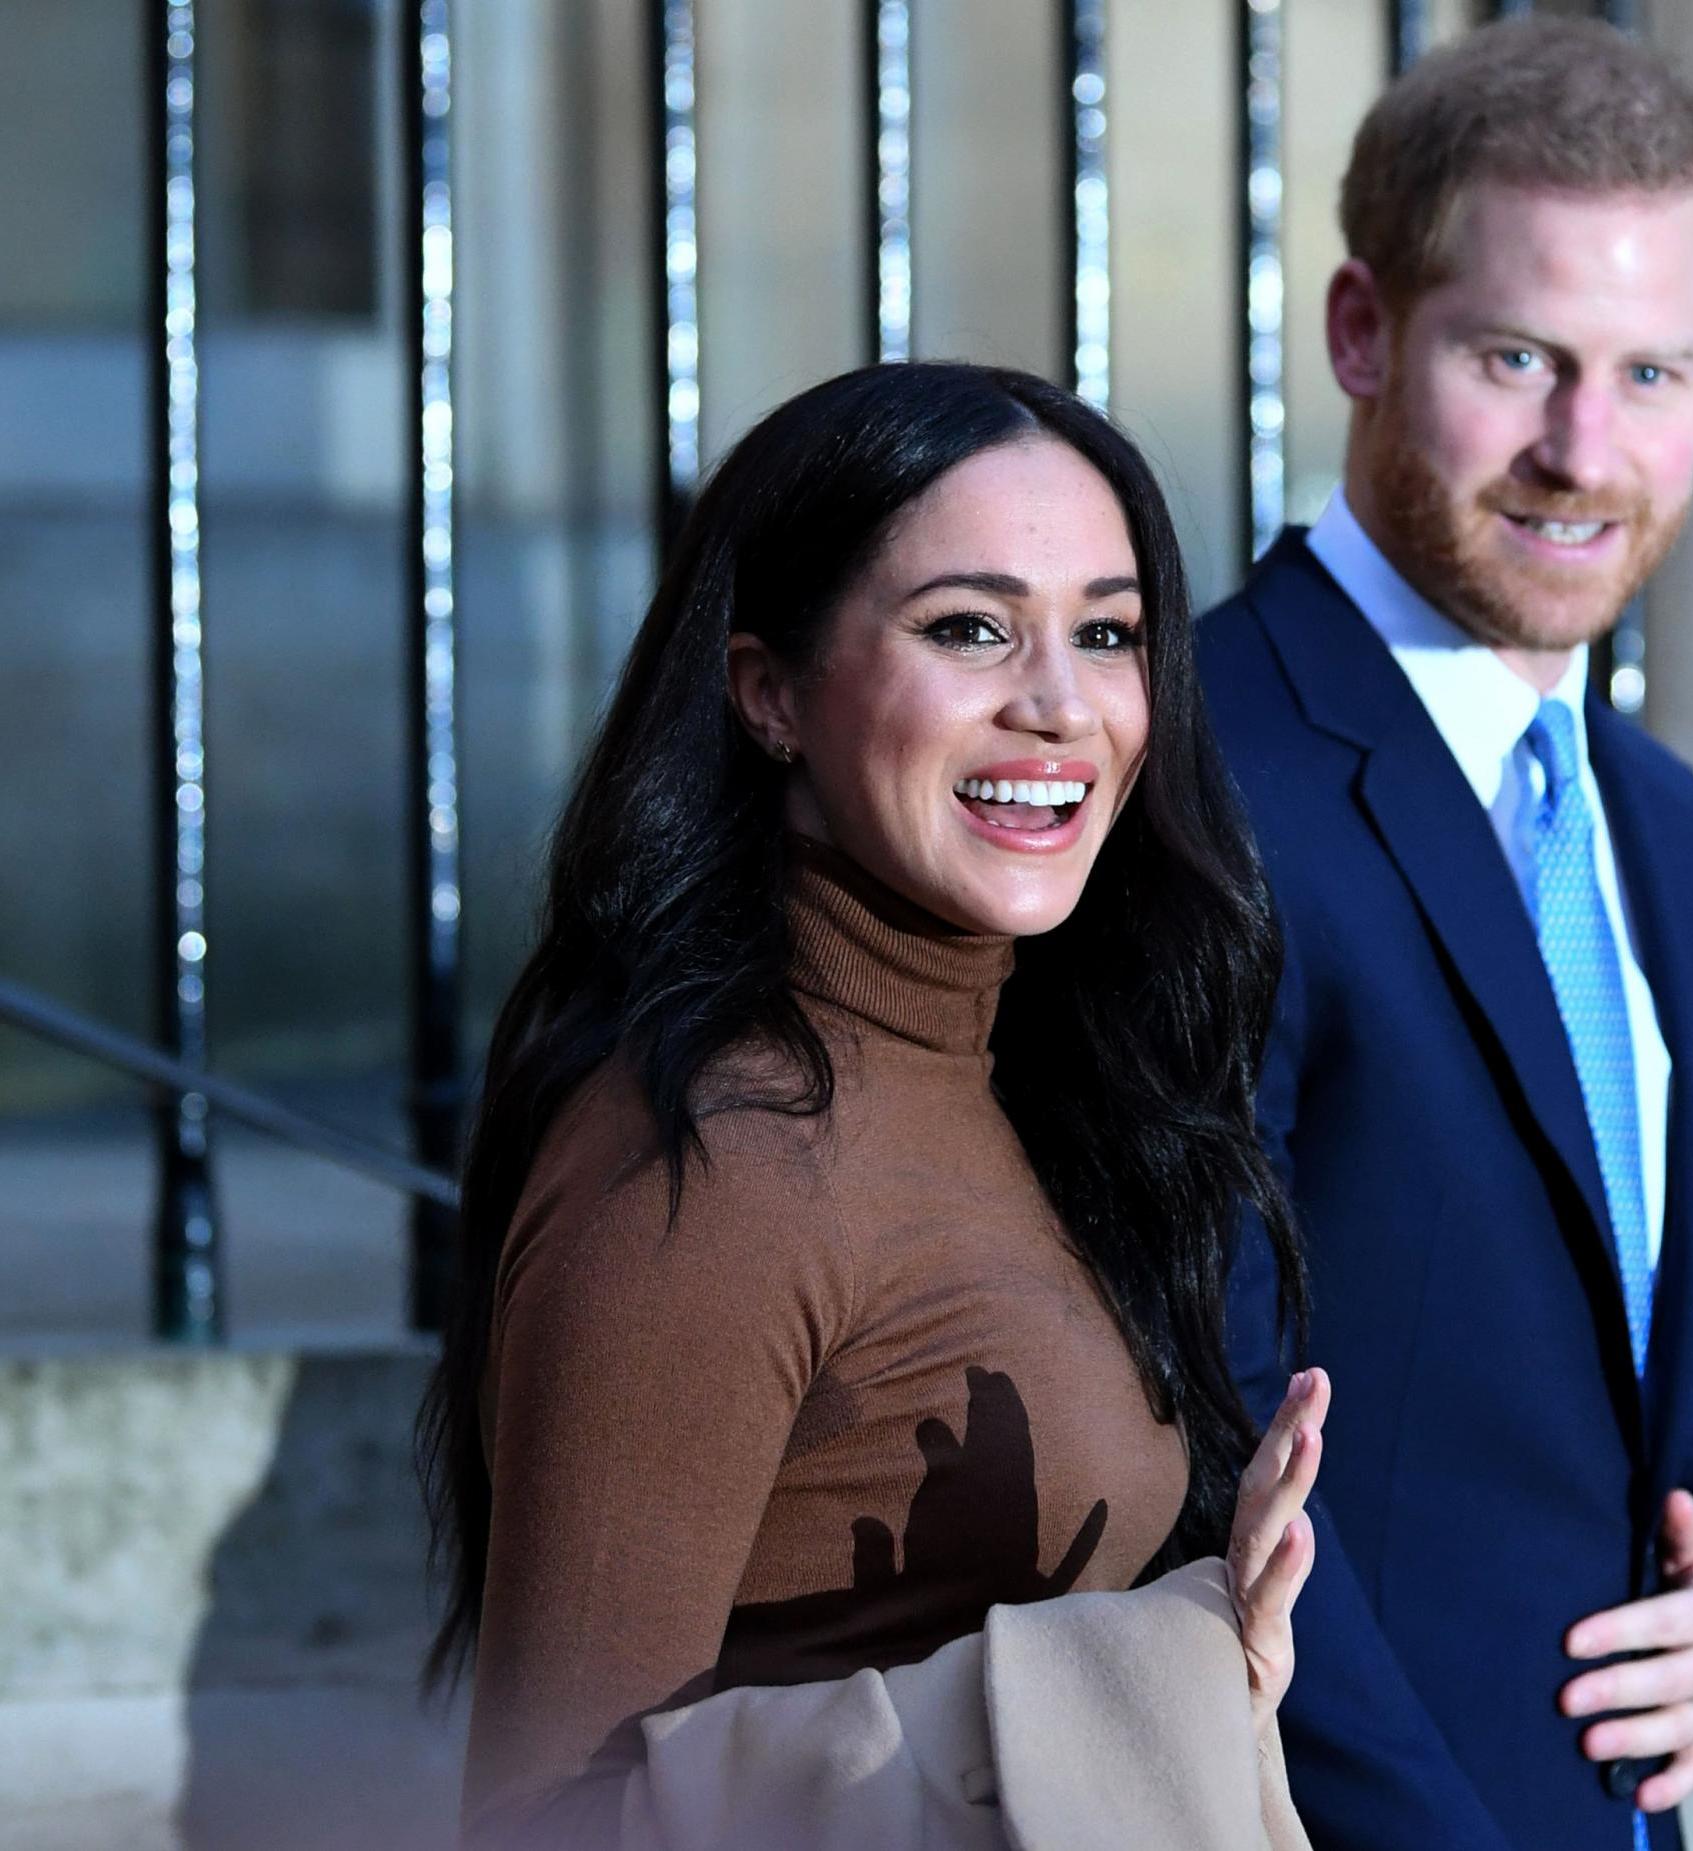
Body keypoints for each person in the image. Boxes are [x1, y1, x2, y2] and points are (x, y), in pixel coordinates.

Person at [414, 362, 1327, 1848]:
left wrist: (1196, 1674)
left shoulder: (1024, 1070)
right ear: (769, 691)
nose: (1056, 704)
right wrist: (1111, 1685)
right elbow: (545, 1820)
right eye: (968, 628)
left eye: (1106, 635)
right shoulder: (711, 1167)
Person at [1196, 20, 1693, 1850]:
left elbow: (1607, 1357)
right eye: (1517, 358)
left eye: (1648, 372)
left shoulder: (1658, 821)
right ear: (1363, 332)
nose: (1580, 450)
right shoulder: (1196, 769)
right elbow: (1188, 1417)